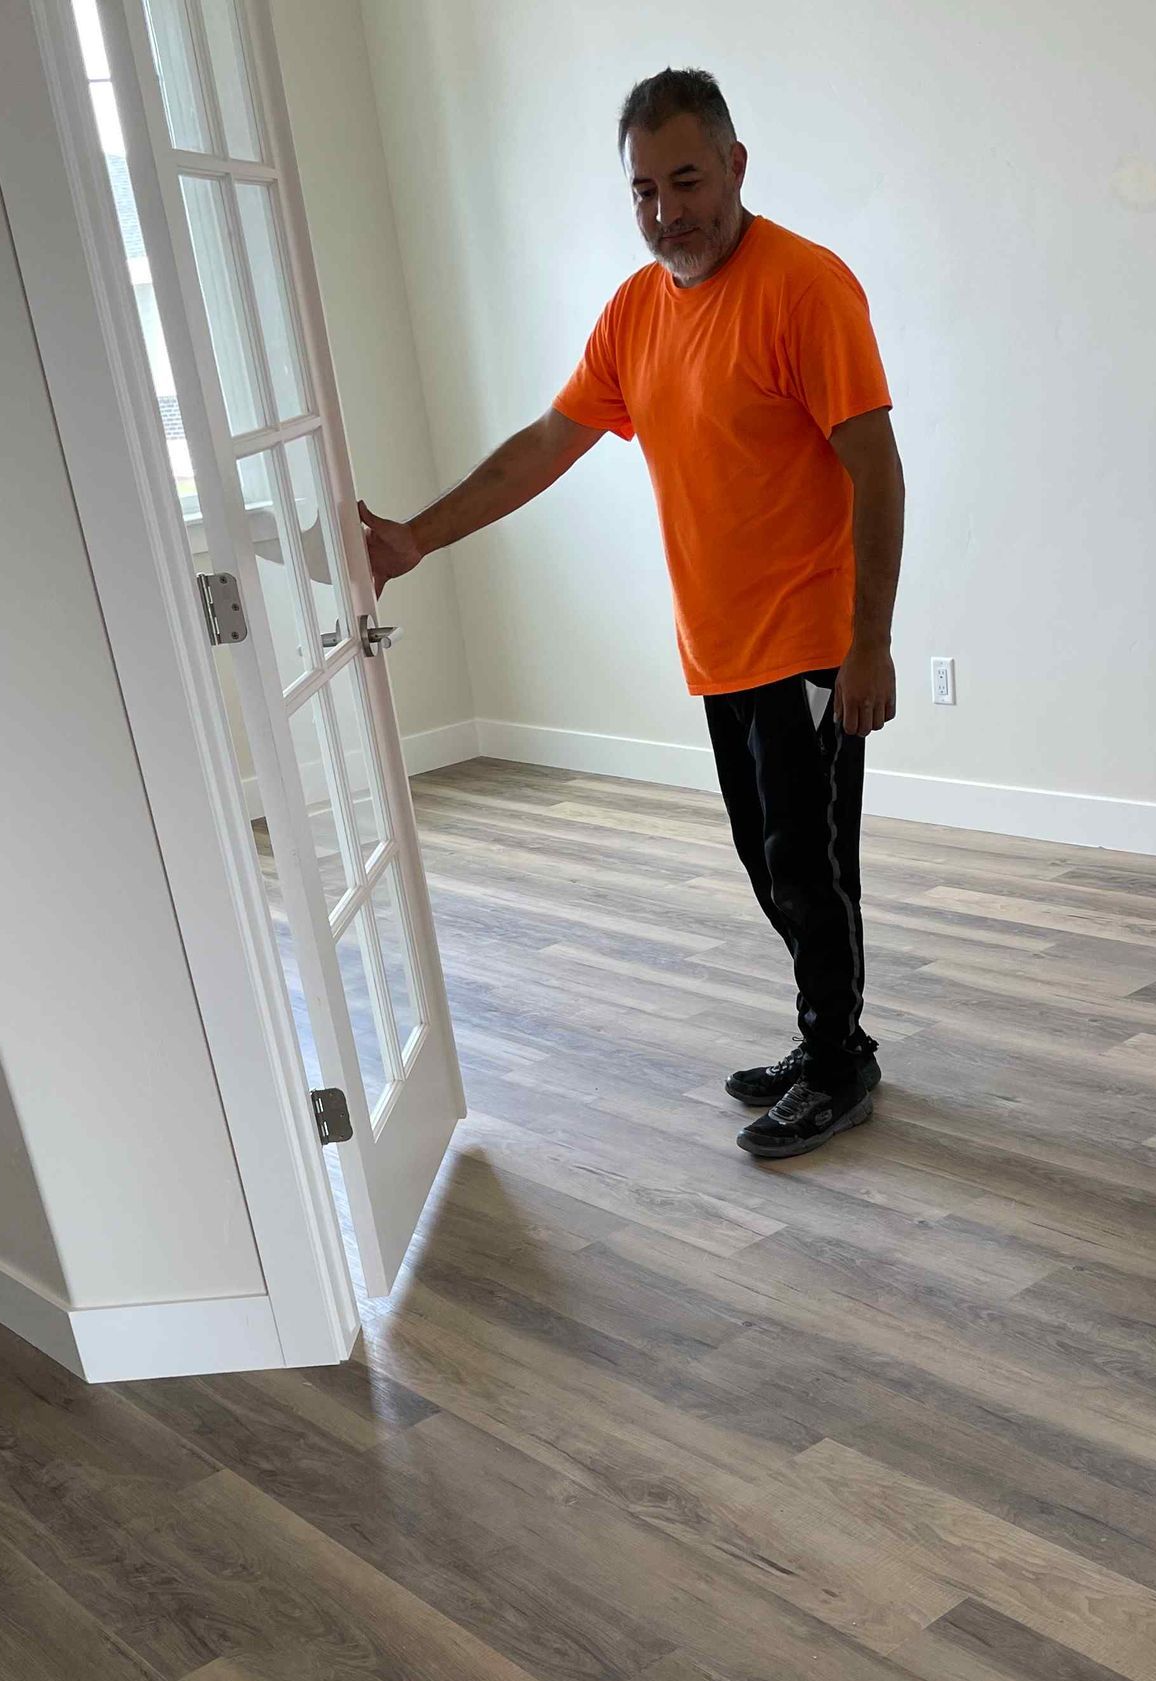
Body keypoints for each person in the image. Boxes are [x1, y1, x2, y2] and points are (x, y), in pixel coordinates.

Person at [357, 66, 905, 1161]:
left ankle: (840, 1061)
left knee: (809, 864)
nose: (667, 212)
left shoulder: (807, 287)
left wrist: (870, 642)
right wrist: (417, 538)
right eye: (645, 191)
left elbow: (877, 470)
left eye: (687, 181)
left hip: (806, 640)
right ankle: (826, 1031)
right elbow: (542, 451)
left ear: (737, 166)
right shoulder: (637, 311)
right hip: (718, 648)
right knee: (769, 863)